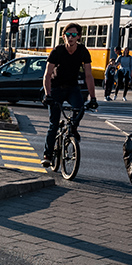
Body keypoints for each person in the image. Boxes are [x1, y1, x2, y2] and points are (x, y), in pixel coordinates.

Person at [41, 23, 98, 168]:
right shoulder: (57, 51)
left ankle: (73, 128)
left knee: (79, 109)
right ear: (63, 36)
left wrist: (93, 98)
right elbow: (47, 75)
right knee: (53, 124)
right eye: (68, 35)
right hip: (56, 88)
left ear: (79, 37)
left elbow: (89, 76)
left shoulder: (83, 51)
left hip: (73, 88)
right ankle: (47, 154)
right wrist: (48, 95)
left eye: (74, 35)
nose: (70, 38)